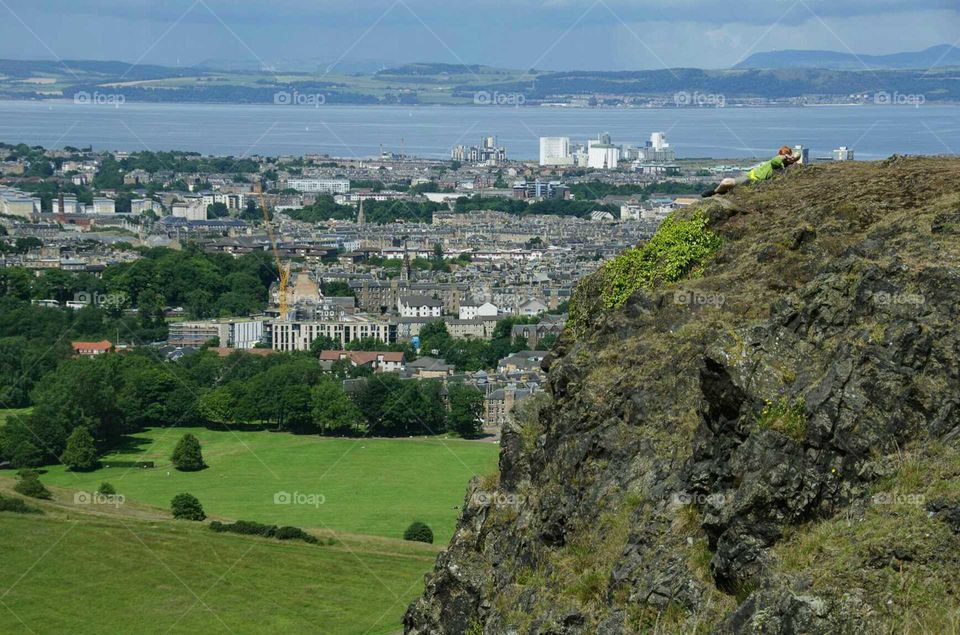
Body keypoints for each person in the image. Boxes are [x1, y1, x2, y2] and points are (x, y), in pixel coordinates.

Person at [702, 146, 801, 197]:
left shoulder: (779, 164)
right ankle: (716, 192)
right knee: (726, 183)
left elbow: (776, 160)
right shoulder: (778, 162)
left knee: (726, 182)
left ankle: (715, 192)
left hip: (751, 180)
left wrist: (786, 157)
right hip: (749, 175)